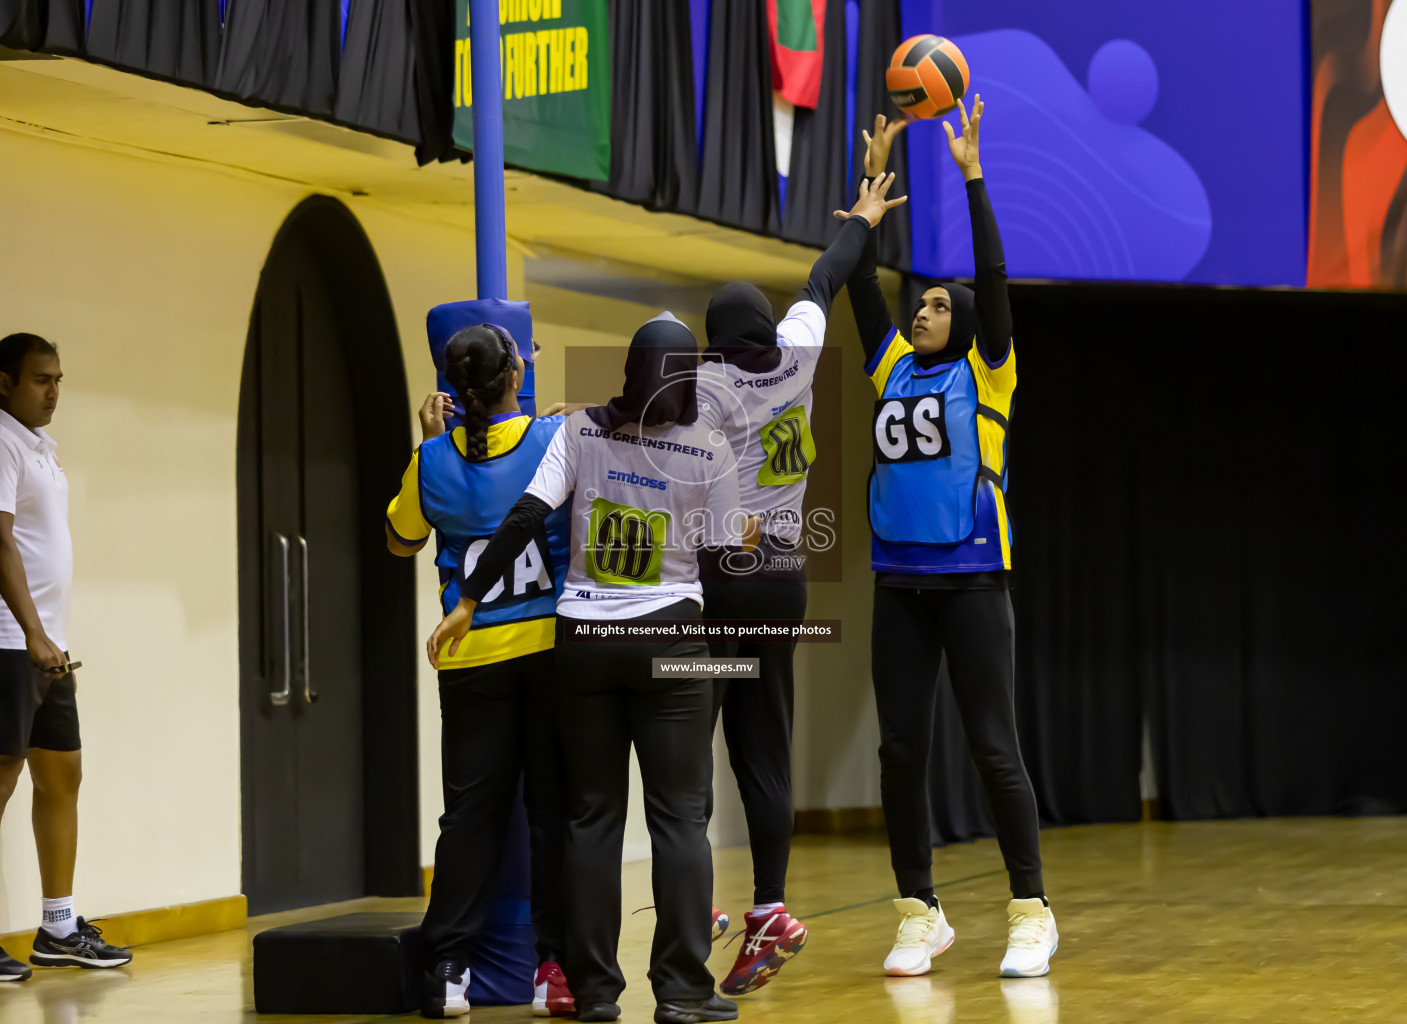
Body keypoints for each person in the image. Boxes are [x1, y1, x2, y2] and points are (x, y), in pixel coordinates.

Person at [430, 313, 756, 1024]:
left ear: (632, 369)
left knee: (589, 819)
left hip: (583, 639)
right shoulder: (709, 446)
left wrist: (467, 601)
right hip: (671, 640)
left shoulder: (580, 431)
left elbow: (521, 518)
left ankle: (596, 992)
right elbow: (730, 552)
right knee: (678, 822)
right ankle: (680, 990)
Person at [844, 102, 1058, 978]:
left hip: (973, 582)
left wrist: (970, 172)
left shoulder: (988, 370)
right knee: (898, 750)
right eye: (919, 301)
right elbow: (860, 285)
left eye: (936, 303)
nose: (922, 309)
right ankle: (918, 911)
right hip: (898, 584)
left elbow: (993, 274)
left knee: (991, 748)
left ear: (966, 322)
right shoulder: (892, 365)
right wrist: (865, 205)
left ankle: (1031, 910)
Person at [695, 174, 907, 995]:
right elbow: (824, 276)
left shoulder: (705, 388)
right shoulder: (797, 356)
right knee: (764, 747)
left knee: (686, 734)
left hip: (723, 582)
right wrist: (861, 218)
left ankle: (690, 905)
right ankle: (768, 911)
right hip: (785, 580)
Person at [386, 324, 574, 1019]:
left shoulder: (429, 461)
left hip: (469, 657)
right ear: (513, 373)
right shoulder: (551, 441)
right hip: (549, 650)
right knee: (552, 814)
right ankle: (554, 967)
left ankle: (448, 969)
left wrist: (427, 443)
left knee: (468, 818)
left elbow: (400, 538)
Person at [0, 333, 131, 982]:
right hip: (9, 644)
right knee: (1, 781)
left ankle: (57, 927)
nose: (53, 391)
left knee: (62, 777)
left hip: (47, 647)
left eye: (58, 379)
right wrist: (29, 632)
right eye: (40, 379)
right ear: (4, 383)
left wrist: (46, 639)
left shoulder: (38, 448)